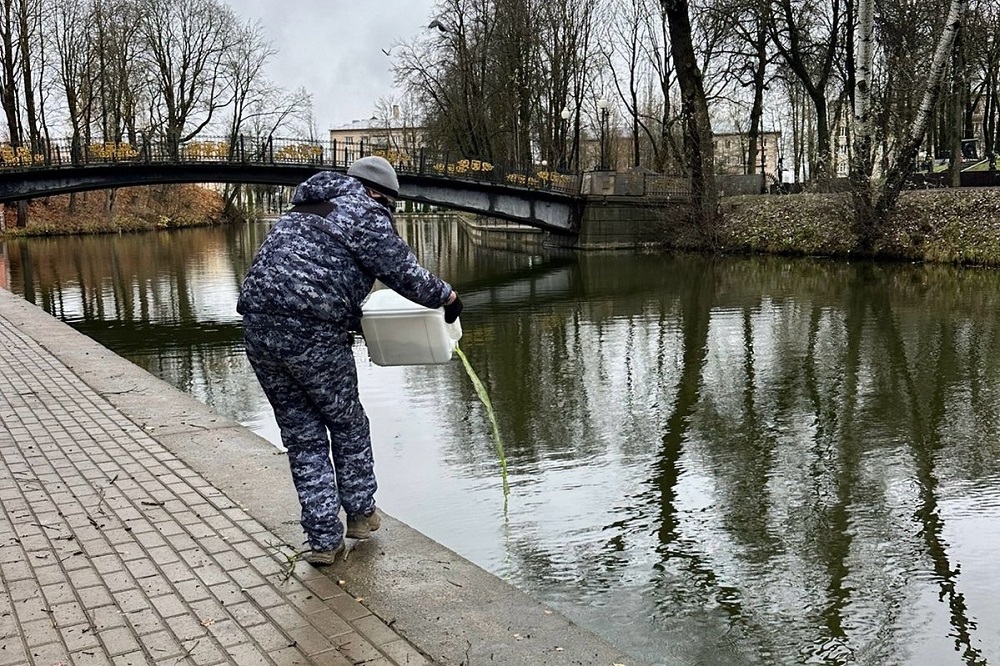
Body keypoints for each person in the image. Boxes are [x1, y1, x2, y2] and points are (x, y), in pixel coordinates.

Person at [237, 156, 463, 565]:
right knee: (346, 422)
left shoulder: (304, 208)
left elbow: (304, 273)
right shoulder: (363, 210)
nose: (387, 213)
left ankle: (323, 541)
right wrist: (447, 297)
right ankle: (359, 514)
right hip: (313, 331)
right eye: (389, 205)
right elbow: (404, 273)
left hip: (257, 327)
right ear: (380, 194)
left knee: (303, 436)